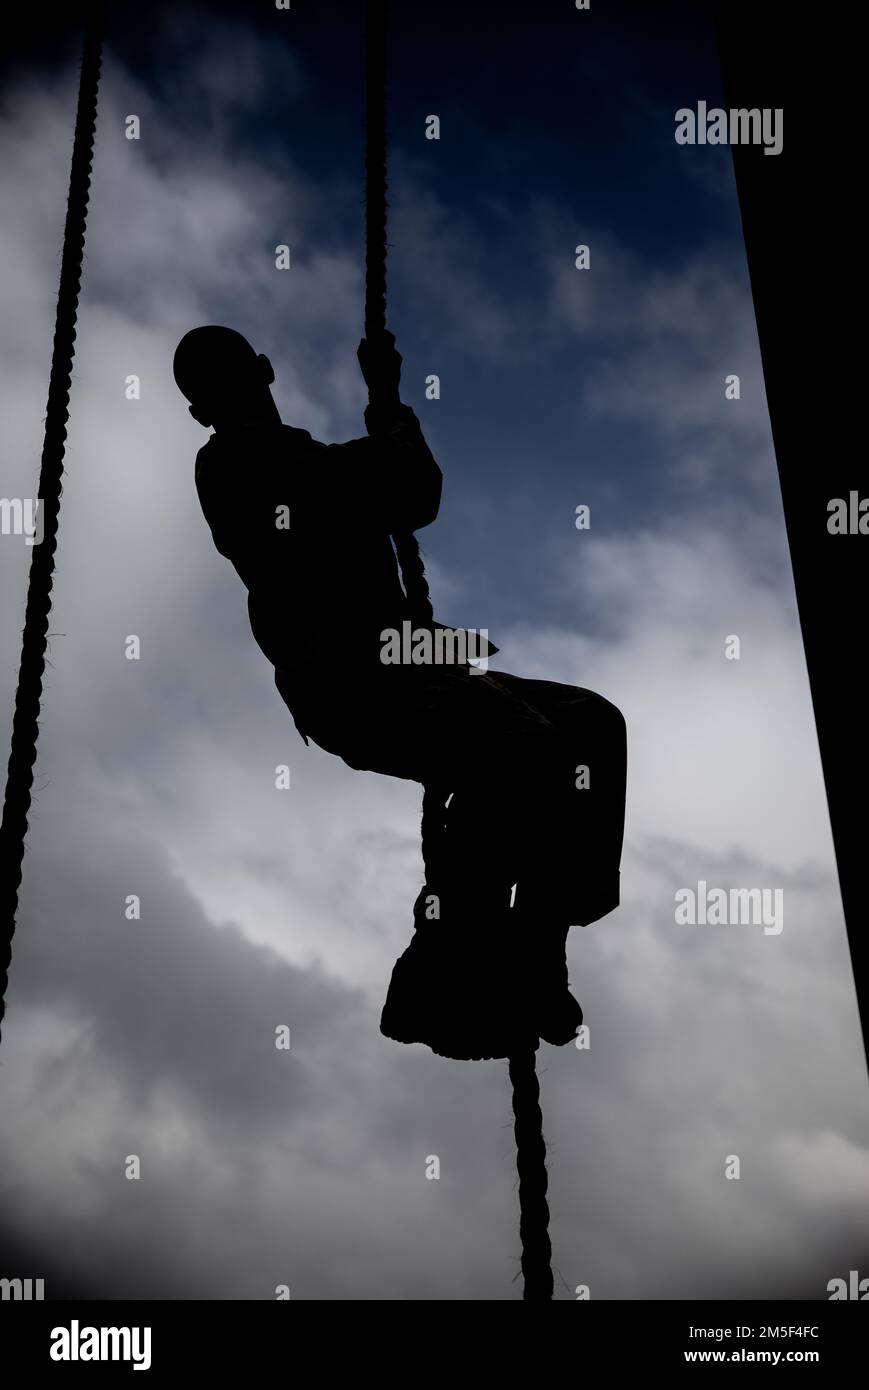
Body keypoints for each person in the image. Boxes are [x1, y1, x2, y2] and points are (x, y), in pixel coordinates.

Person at [174, 325, 626, 1059]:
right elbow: (409, 489)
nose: (234, 395)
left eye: (236, 377)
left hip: (400, 661)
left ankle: (540, 945)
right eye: (216, 388)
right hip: (351, 681)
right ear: (205, 410)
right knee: (526, 749)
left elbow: (396, 499)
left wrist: (449, 646)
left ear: (262, 370)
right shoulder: (237, 466)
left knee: (591, 724)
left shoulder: (303, 461)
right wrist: (386, 403)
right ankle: (444, 952)